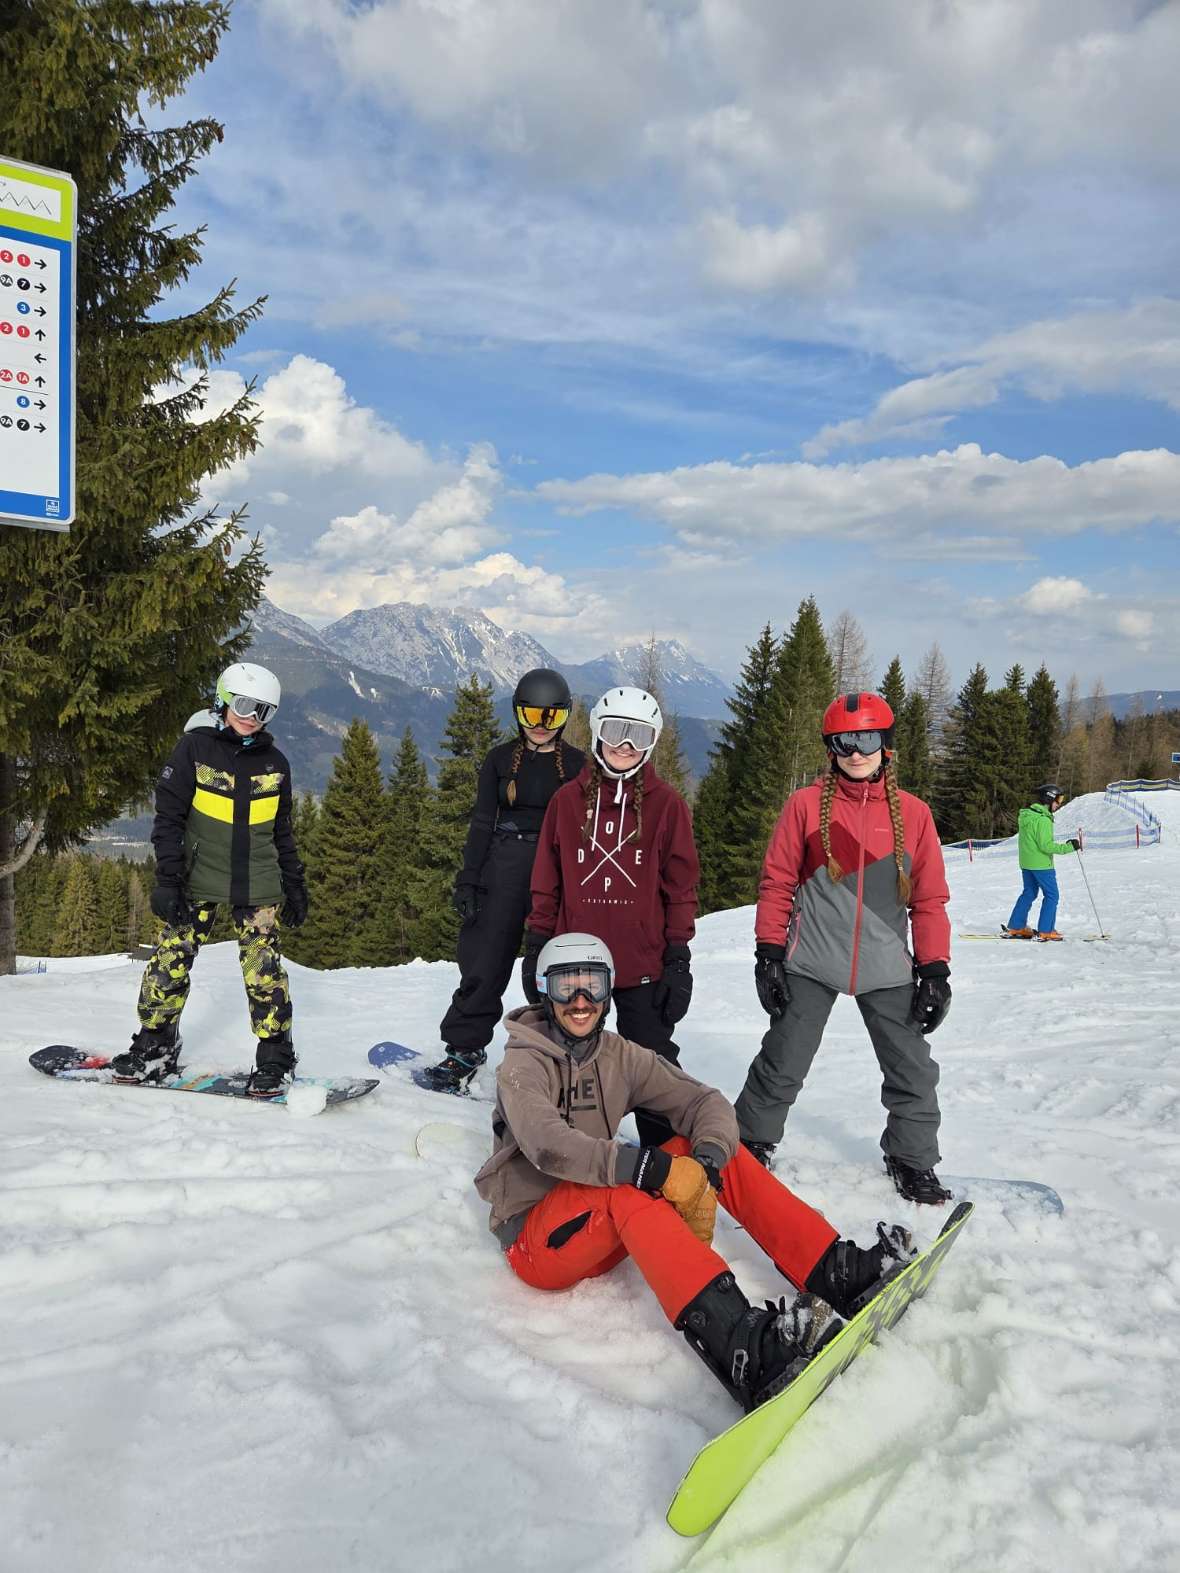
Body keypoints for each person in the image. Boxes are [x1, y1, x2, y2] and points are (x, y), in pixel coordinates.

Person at [474, 933, 914, 1414]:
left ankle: (833, 1269)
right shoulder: (522, 1063)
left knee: (707, 1150)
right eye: (566, 988)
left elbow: (704, 1102)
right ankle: (743, 1346)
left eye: (593, 987)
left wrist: (703, 1166)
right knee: (631, 1182)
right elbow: (548, 1146)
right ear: (543, 990)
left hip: (598, 1226)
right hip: (538, 1244)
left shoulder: (619, 1055)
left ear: (609, 990)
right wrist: (648, 1167)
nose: (581, 1002)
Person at [734, 692, 954, 1204]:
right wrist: (769, 953)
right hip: (812, 960)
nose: (856, 752)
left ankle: (912, 1160)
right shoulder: (805, 805)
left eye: (868, 739)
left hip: (887, 967)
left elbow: (929, 900)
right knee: (783, 1056)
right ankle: (749, 1143)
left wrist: (935, 969)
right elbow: (777, 882)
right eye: (844, 741)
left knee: (912, 1068)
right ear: (830, 747)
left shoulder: (914, 815)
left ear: (887, 745)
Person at [109, 662, 309, 1095]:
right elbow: (168, 819)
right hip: (196, 876)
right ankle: (156, 1043)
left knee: (264, 970)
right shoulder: (193, 750)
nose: (251, 716)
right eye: (242, 704)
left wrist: (294, 883)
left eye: (263, 710)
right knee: (169, 961)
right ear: (222, 699)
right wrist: (167, 879)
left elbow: (283, 831)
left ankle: (275, 1054)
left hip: (257, 880)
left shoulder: (275, 763)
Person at [521, 686, 699, 1147]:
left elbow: (680, 888)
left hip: (642, 964)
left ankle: (670, 1158)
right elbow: (547, 876)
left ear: (652, 742)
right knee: (565, 1059)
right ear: (598, 732)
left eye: (637, 735)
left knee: (652, 1062)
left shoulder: (667, 806)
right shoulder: (566, 802)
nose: (624, 744)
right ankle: (559, 1148)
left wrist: (678, 958)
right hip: (575, 962)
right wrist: (538, 941)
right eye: (615, 730)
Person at [423, 669, 586, 1094]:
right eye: (531, 714)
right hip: (504, 862)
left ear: (564, 718)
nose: (539, 725)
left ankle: (554, 1053)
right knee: (484, 960)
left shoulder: (577, 766)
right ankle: (465, 1048)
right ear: (517, 713)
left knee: (551, 966)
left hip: (556, 867)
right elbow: (481, 823)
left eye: (550, 718)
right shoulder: (498, 760)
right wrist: (469, 880)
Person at [1004, 783, 1080, 943]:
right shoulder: (1043, 820)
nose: (1059, 804)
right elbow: (1046, 846)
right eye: (1058, 800)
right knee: (1052, 895)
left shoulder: (1027, 816)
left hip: (1026, 863)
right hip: (1041, 865)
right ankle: (1046, 930)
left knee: (1029, 893)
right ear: (1049, 799)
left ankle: (1016, 926)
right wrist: (1069, 847)